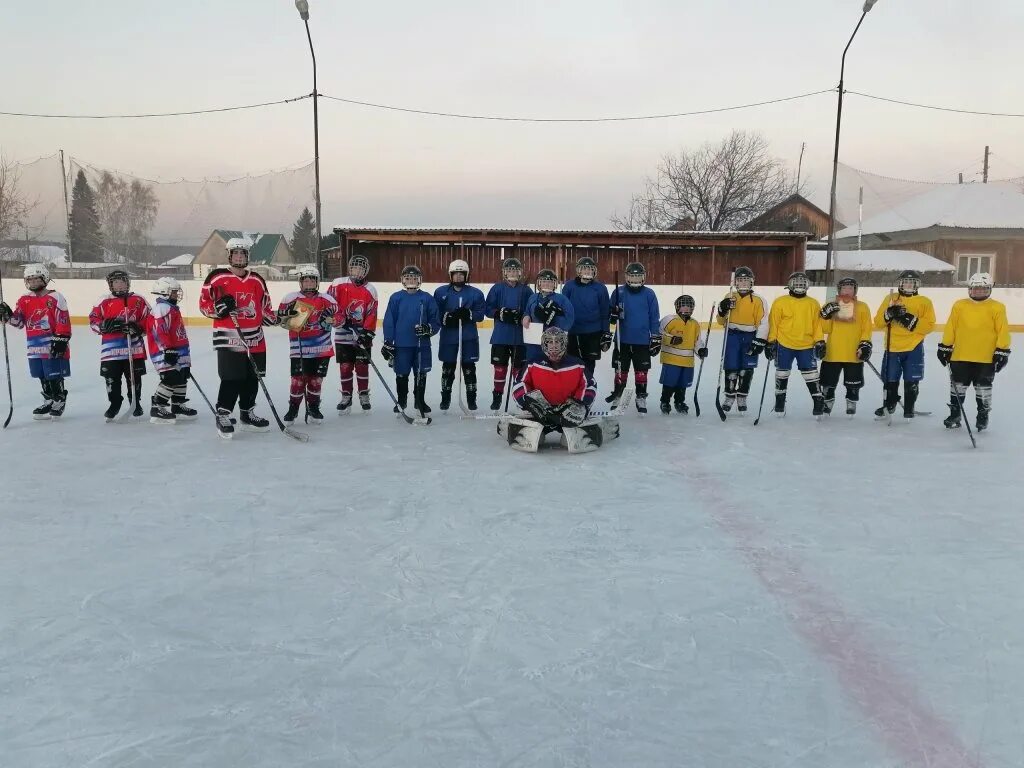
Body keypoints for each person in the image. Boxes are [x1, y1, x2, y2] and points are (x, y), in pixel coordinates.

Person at [198, 237, 277, 436]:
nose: (240, 257)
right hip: (228, 336)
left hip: (255, 338)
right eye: (236, 253)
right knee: (232, 377)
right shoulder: (216, 277)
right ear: (230, 255)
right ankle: (223, 413)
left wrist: (281, 318)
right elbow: (204, 305)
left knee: (252, 378)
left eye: (243, 253)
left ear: (247, 256)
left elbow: (265, 309)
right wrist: (219, 308)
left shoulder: (257, 280)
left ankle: (246, 413)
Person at [499, 327, 616, 453]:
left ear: (564, 343)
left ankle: (603, 428)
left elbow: (589, 386)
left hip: (567, 414)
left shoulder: (577, 364)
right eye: (550, 342)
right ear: (544, 344)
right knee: (530, 440)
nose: (553, 346)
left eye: (557, 342)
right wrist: (528, 403)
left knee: (573, 442)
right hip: (541, 413)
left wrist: (579, 404)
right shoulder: (533, 363)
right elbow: (519, 384)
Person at [937, 272, 1011, 431]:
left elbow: (1002, 331)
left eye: (983, 289)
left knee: (983, 388)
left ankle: (982, 416)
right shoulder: (959, 305)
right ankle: (955, 414)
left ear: (990, 289)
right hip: (960, 356)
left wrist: (1002, 350)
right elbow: (951, 327)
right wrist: (945, 346)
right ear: (969, 289)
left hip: (986, 358)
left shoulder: (997, 307)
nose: (978, 291)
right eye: (975, 288)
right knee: (957, 387)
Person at [0, 264, 71, 419]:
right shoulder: (24, 299)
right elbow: (19, 322)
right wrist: (7, 315)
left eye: (36, 279)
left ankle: (59, 399)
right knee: (41, 374)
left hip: (53, 342)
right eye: (30, 280)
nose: (33, 282)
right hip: (34, 344)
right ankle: (48, 399)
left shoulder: (55, 296)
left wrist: (61, 338)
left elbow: (63, 319)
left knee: (53, 374)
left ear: (44, 278)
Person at [753, 271, 825, 416]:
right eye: (796, 284)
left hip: (806, 344)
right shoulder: (780, 302)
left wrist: (819, 341)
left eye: (802, 284)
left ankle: (818, 400)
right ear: (789, 285)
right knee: (781, 373)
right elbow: (774, 324)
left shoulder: (813, 303)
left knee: (811, 375)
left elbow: (817, 324)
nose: (799, 286)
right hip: (784, 344)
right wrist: (770, 342)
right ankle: (780, 401)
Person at [873, 269, 936, 420]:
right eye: (905, 282)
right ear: (900, 284)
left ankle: (909, 407)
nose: (908, 285)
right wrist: (888, 314)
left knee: (912, 379)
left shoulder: (924, 302)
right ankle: (889, 403)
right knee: (890, 378)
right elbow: (878, 322)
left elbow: (929, 326)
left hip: (914, 346)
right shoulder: (890, 298)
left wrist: (910, 319)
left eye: (911, 282)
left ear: (917, 285)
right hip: (892, 346)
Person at [89, 269, 151, 421]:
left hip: (133, 348)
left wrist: (138, 327)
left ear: (127, 282)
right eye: (116, 282)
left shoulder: (138, 299)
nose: (119, 285)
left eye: (122, 281)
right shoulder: (103, 301)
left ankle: (135, 402)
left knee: (134, 378)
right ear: (110, 285)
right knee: (111, 378)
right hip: (111, 350)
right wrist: (103, 326)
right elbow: (93, 321)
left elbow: (150, 319)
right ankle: (115, 403)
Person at [278, 266, 338, 425]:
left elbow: (340, 318)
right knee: (298, 379)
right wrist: (287, 318)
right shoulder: (290, 298)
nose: (309, 283)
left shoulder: (328, 299)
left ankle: (313, 408)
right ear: (300, 282)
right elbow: (279, 319)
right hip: (300, 348)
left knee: (315, 380)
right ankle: (293, 408)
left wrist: (332, 319)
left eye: (312, 279)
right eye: (306, 280)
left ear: (317, 282)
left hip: (322, 348)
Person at [382, 265, 441, 418]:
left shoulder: (427, 298)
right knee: (401, 374)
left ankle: (419, 400)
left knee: (421, 373)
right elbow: (389, 321)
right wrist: (388, 341)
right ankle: (402, 400)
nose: (411, 280)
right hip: (402, 345)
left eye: (414, 278)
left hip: (422, 345)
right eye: (408, 278)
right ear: (402, 280)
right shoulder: (396, 298)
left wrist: (428, 329)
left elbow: (436, 321)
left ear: (420, 280)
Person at [606, 261, 660, 414]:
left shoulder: (649, 294)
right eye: (632, 277)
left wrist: (655, 336)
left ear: (643, 278)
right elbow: (610, 315)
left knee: (641, 370)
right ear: (626, 277)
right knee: (620, 370)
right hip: (622, 339)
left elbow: (654, 317)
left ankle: (641, 396)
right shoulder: (618, 292)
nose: (635, 281)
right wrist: (612, 314)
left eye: (638, 277)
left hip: (642, 340)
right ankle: (618, 394)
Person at [433, 259, 486, 411]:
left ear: (466, 275)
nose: (458, 277)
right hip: (449, 336)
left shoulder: (476, 293)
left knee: (469, 368)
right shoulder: (441, 292)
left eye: (461, 274)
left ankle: (471, 398)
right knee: (448, 368)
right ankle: (445, 397)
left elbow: (481, 314)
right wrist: (446, 318)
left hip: (468, 336)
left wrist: (469, 314)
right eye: (455, 274)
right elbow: (435, 313)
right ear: (450, 275)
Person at [328, 254, 378, 413]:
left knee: (362, 366)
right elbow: (328, 305)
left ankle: (363, 395)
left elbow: (372, 313)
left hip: (361, 333)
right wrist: (339, 319)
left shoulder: (370, 290)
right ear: (350, 268)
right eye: (354, 268)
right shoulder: (338, 284)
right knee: (345, 366)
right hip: (342, 332)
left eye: (360, 269)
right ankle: (346, 396)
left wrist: (367, 332)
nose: (357, 272)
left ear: (365, 271)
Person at [818, 277, 873, 416]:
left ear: (855, 290)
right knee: (828, 382)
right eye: (844, 288)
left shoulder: (863, 306)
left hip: (854, 352)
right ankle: (828, 400)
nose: (847, 291)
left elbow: (866, 329)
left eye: (850, 288)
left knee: (853, 382)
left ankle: (851, 401)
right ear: (839, 290)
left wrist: (865, 344)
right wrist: (825, 315)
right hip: (833, 352)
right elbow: (825, 329)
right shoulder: (832, 304)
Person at [716, 266, 768, 413]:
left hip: (750, 336)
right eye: (740, 280)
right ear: (736, 282)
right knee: (731, 367)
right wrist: (722, 309)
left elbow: (764, 322)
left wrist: (760, 340)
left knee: (747, 369)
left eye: (746, 280)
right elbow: (720, 321)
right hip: (732, 335)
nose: (743, 283)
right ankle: (730, 395)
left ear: (752, 282)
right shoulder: (730, 296)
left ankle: (742, 396)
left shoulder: (759, 300)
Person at [485, 256, 534, 411]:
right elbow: (488, 309)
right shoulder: (497, 288)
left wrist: (523, 315)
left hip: (519, 338)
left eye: (515, 270)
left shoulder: (526, 290)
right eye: (509, 270)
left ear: (520, 272)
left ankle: (520, 397)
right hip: (500, 336)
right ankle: (497, 395)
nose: (512, 272)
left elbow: (531, 309)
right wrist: (500, 313)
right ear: (504, 272)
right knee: (500, 368)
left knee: (518, 370)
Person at [145, 277, 196, 425]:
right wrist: (167, 349)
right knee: (171, 377)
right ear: (164, 292)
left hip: (178, 350)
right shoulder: (161, 308)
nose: (177, 294)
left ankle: (178, 405)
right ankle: (157, 407)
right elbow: (159, 331)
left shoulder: (171, 307)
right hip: (165, 351)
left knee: (182, 375)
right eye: (174, 292)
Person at [560, 256, 610, 380]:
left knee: (589, 365)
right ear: (578, 271)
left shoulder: (600, 288)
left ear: (594, 271)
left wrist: (606, 332)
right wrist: (562, 329)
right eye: (584, 269)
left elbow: (605, 312)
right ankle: (572, 392)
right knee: (573, 364)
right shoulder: (569, 286)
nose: (587, 272)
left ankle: (587, 392)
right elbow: (563, 309)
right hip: (573, 332)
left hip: (593, 333)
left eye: (590, 269)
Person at [658, 295, 707, 414]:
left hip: (687, 361)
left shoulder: (694, 324)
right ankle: (665, 401)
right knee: (669, 383)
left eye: (689, 306)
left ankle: (679, 402)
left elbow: (697, 341)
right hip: (671, 359)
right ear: (677, 307)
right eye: (683, 306)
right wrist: (671, 338)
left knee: (682, 384)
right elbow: (659, 333)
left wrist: (700, 350)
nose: (685, 309)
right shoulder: (669, 319)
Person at [524, 268, 574, 362]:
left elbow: (569, 321)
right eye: (544, 281)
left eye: (550, 282)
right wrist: (525, 317)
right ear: (539, 283)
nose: (547, 284)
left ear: (554, 284)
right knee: (533, 366)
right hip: (534, 341)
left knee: (552, 368)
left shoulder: (562, 300)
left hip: (554, 343)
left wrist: (553, 318)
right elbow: (527, 312)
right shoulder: (533, 298)